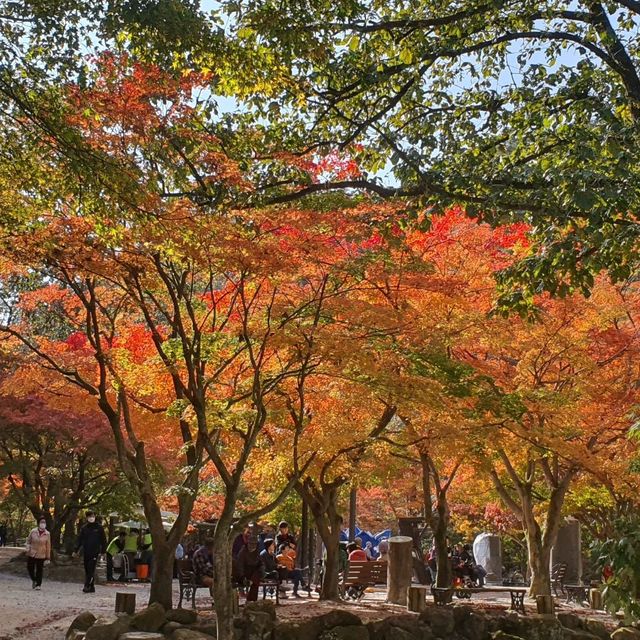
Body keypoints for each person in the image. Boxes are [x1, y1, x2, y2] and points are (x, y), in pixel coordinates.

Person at [74, 511, 107, 593]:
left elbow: (103, 540)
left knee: (91, 568)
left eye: (93, 516)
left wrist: (103, 551)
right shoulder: (84, 528)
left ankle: (87, 585)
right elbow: (79, 539)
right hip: (86, 551)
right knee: (87, 569)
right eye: (90, 516)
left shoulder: (99, 528)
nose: (91, 517)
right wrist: (75, 550)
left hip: (95, 551)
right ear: (87, 518)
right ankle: (92, 587)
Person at [237, 535, 264, 601]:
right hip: (246, 572)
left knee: (256, 577)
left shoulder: (257, 552)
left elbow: (261, 563)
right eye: (251, 544)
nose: (252, 546)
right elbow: (240, 566)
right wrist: (242, 576)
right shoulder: (243, 552)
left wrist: (261, 569)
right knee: (255, 579)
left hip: (255, 573)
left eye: (254, 544)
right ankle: (250, 599)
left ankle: (252, 600)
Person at [26, 516, 51, 590]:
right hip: (32, 552)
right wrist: (28, 547)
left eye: (44, 522)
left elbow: (48, 545)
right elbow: (28, 540)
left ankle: (38, 584)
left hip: (42, 554)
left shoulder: (47, 534)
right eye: (41, 522)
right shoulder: (33, 531)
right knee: (30, 567)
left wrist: (48, 557)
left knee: (39, 569)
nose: (43, 524)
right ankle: (34, 579)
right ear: (38, 523)